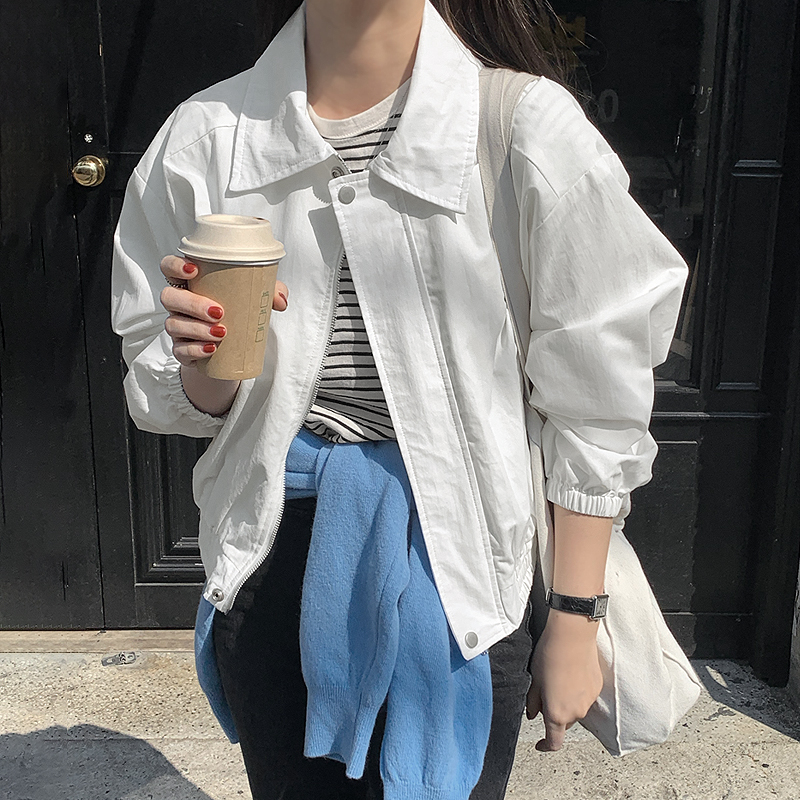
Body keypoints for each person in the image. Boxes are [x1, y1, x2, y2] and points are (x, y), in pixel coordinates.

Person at [111, 1, 689, 798]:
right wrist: (206, 362)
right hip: (271, 553)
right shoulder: (204, 141)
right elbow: (161, 390)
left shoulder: (523, 128)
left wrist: (575, 612)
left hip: (462, 560)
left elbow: (597, 384)